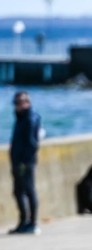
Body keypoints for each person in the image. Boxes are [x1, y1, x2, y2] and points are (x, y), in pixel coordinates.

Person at [8, 91, 42, 235]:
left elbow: (32, 143)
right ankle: (24, 222)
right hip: (18, 161)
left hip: (25, 162)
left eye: (19, 103)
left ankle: (32, 223)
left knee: (28, 191)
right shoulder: (21, 118)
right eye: (15, 103)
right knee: (18, 192)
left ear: (27, 103)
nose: (16, 106)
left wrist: (24, 162)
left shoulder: (29, 118)